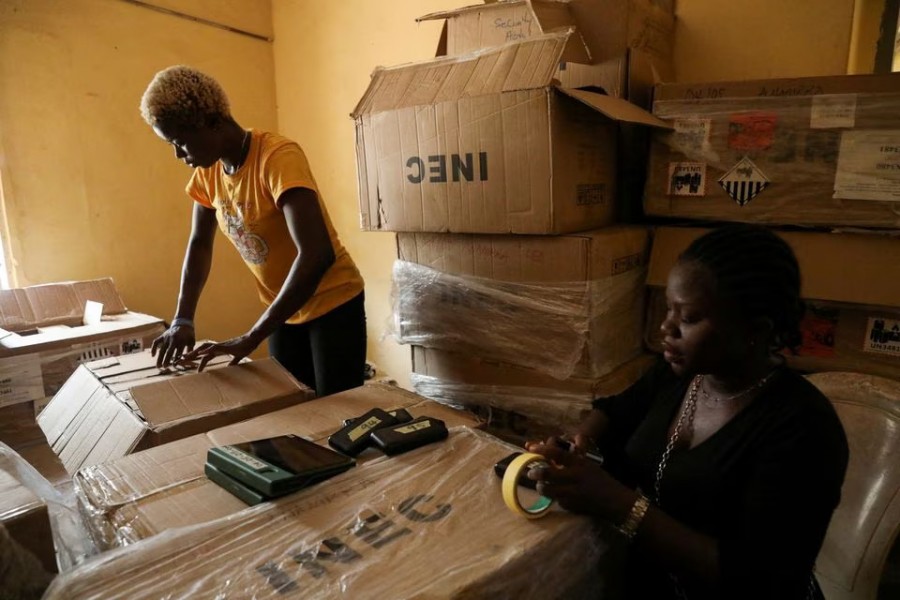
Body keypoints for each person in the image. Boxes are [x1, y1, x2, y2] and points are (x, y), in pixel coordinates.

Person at [526, 224, 848, 599]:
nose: (666, 328)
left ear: (755, 330)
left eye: (689, 318)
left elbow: (759, 582)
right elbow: (615, 412)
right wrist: (580, 442)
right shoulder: (679, 374)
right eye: (668, 309)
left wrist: (618, 503)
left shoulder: (805, 429)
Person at [140, 65, 366, 397]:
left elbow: (317, 254)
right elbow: (199, 245)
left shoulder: (277, 158)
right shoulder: (209, 173)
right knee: (290, 406)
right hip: (285, 311)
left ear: (213, 122)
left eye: (181, 142)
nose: (178, 155)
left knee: (337, 413)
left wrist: (252, 336)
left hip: (332, 304)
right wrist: (182, 320)